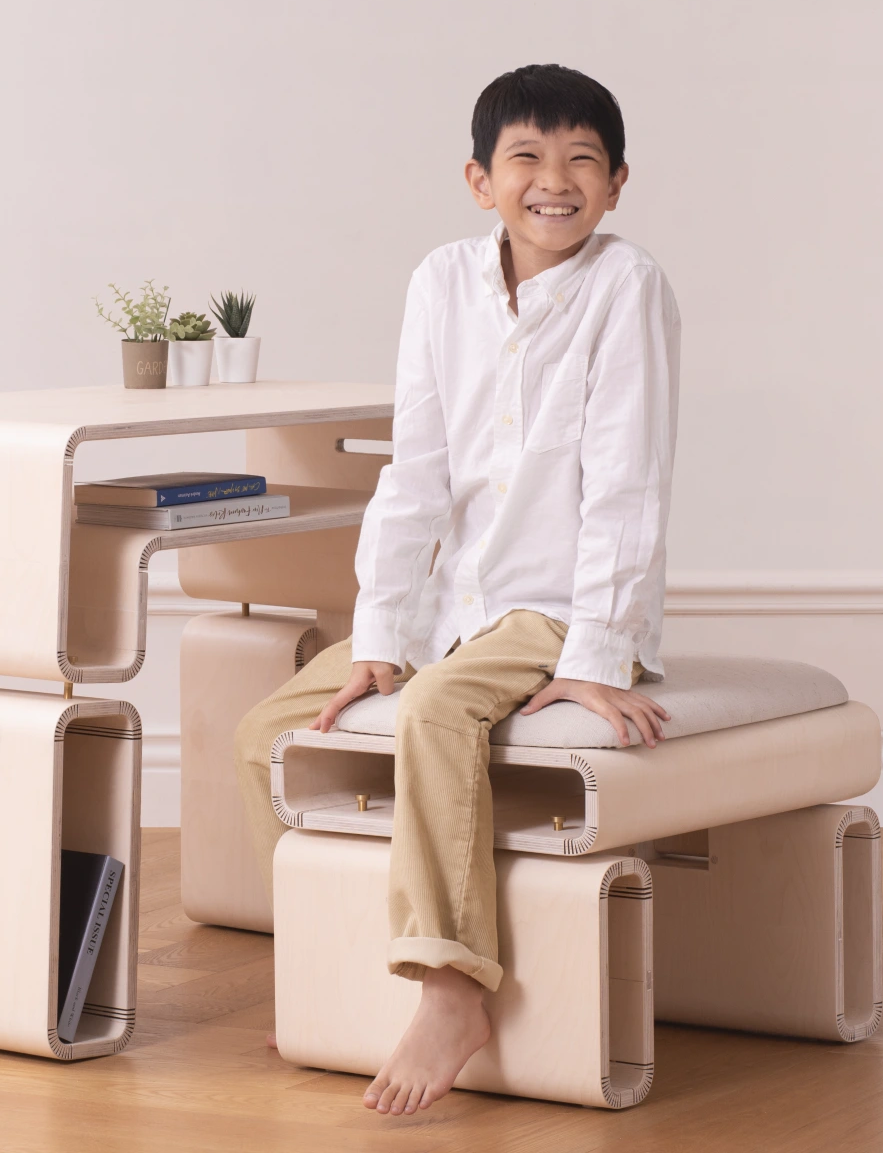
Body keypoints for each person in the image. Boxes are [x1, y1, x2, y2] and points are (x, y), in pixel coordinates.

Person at [231, 63, 682, 1116]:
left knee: (434, 714)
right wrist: (379, 636)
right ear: (480, 180)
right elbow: (415, 476)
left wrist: (597, 655)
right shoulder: (440, 283)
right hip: (450, 611)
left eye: (581, 160)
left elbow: (627, 484)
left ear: (617, 182)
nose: (554, 181)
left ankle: (450, 989)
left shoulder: (626, 286)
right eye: (526, 157)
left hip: (557, 607)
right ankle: (329, 971)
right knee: (265, 736)